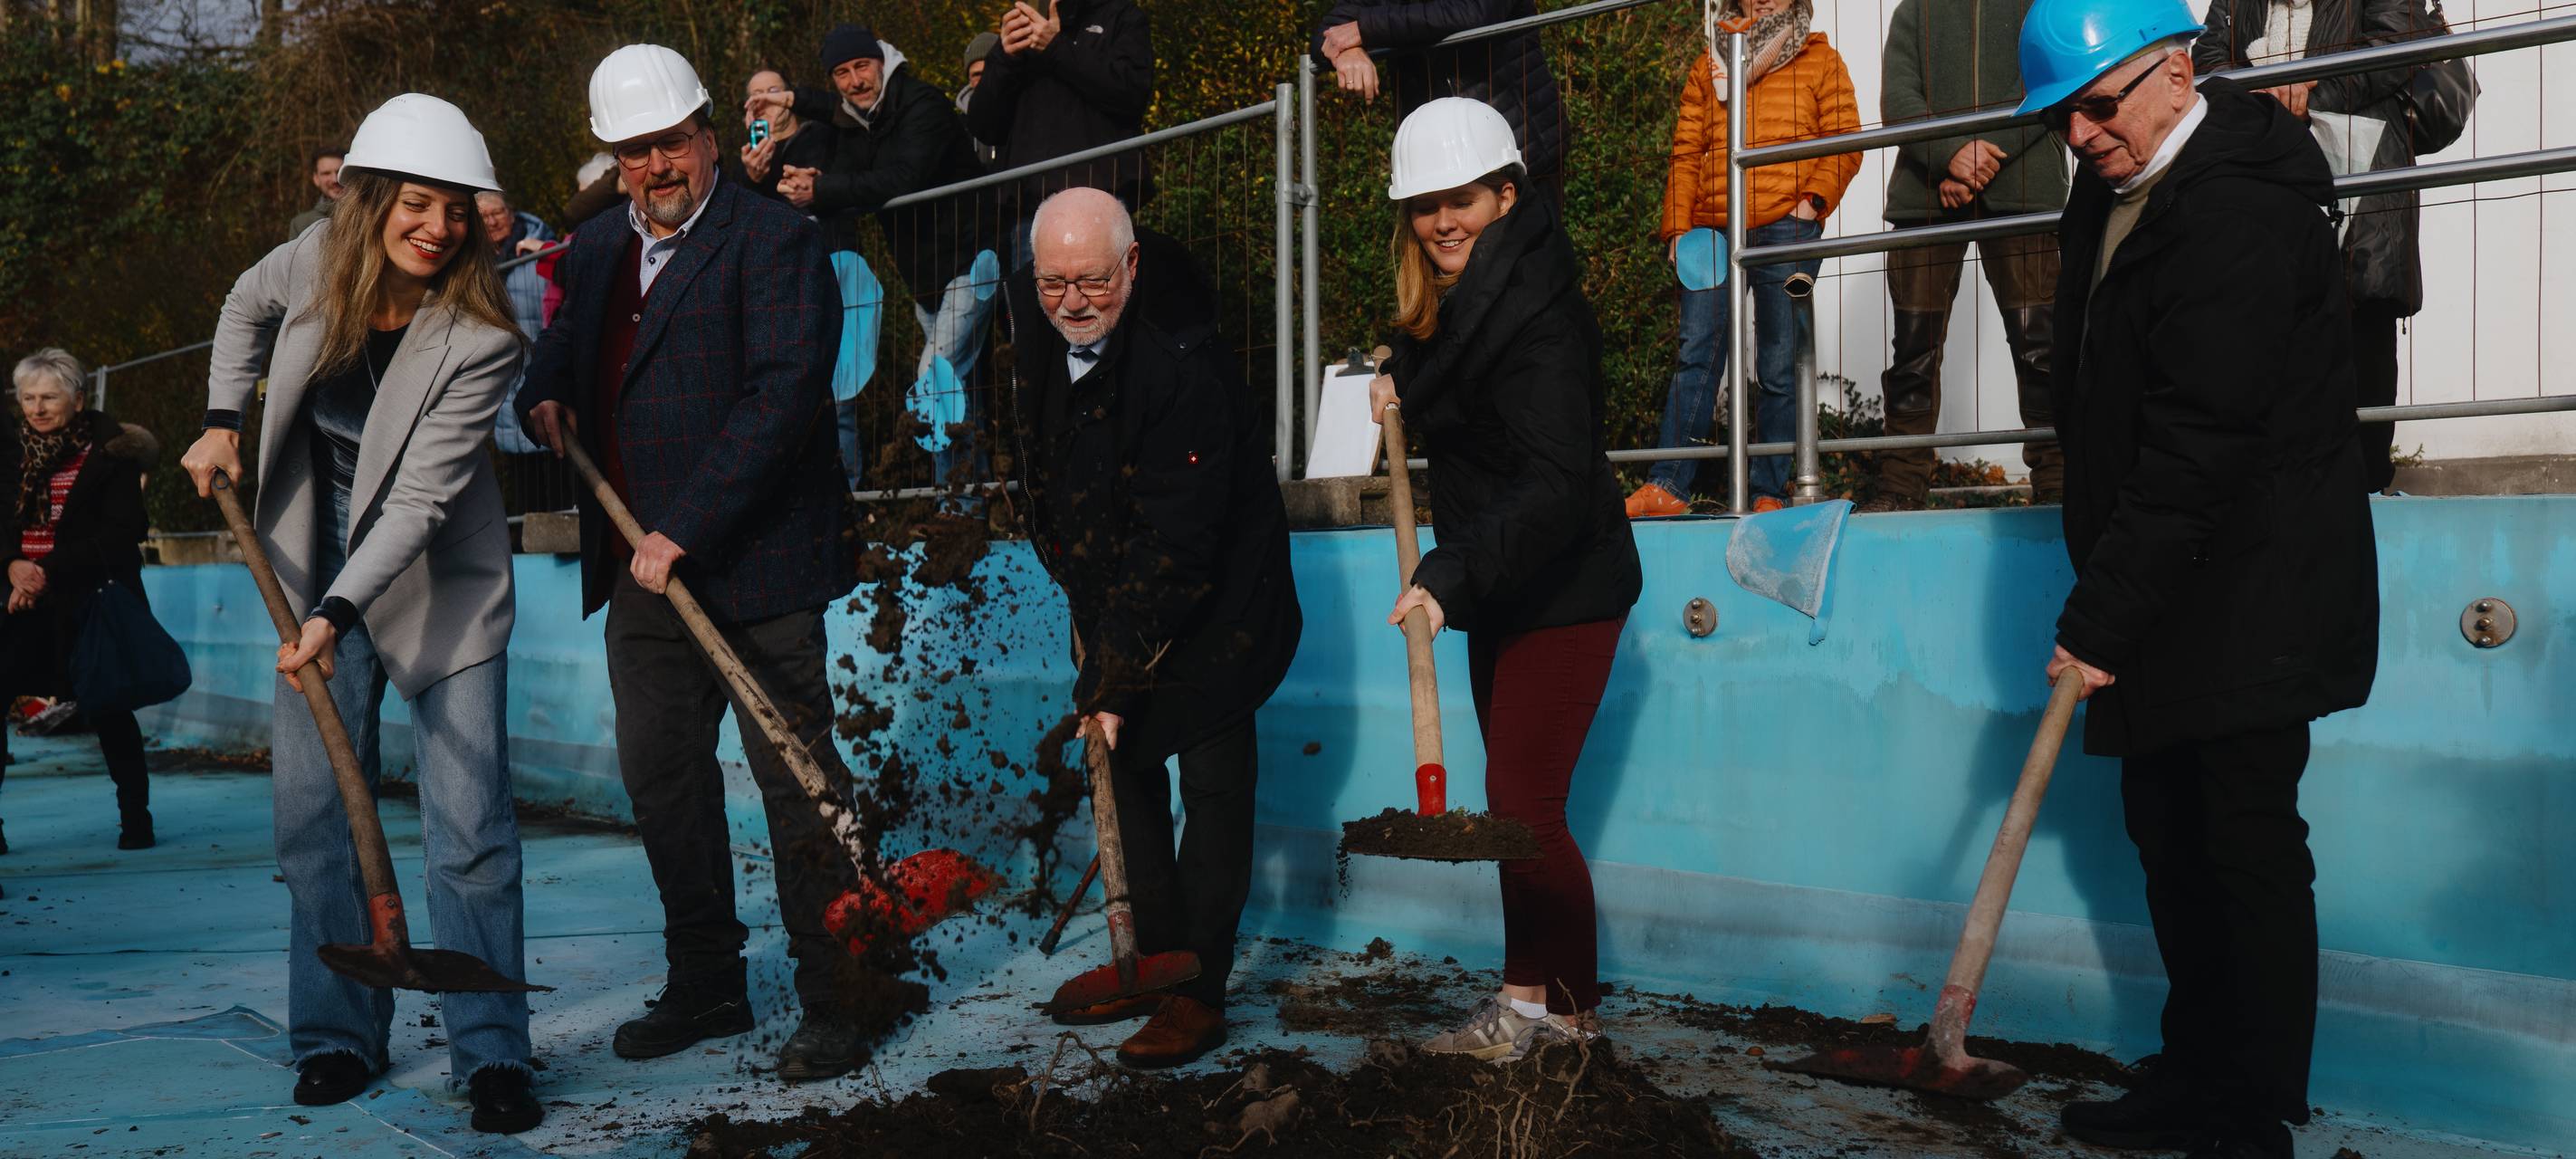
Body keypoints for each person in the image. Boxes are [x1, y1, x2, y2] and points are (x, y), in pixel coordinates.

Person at [2017, 0, 2380, 1154]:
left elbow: (2200, 436)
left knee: (2241, 842)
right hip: (2167, 577)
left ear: (2176, 72)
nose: (2077, 134)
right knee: (2168, 839)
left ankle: (2250, 1109)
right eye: (2059, 119)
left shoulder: (2236, 206)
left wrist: (2101, 614)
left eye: (2094, 106)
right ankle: (2193, 1070)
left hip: (2248, 587)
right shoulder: (2119, 181)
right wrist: (2118, 593)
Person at [179, 93, 543, 1134]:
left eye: (454, 210)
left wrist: (336, 613)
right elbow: (242, 309)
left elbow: (423, 500)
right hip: (305, 561)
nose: (435, 227)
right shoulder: (310, 263)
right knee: (313, 822)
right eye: (415, 204)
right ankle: (335, 1034)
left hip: (435, 587)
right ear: (374, 199)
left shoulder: (478, 335)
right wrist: (218, 419)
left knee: (470, 826)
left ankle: (492, 1052)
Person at [516, 44, 865, 1082]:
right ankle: (708, 980)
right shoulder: (589, 252)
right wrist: (545, 391)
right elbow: (564, 337)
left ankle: (841, 992)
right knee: (662, 780)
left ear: (707, 133)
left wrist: (686, 527)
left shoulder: (776, 241)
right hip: (641, 572)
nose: (656, 166)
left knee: (796, 782)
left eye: (670, 142)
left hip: (753, 564)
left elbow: (783, 393)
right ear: (613, 159)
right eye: (634, 152)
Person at [1369, 99, 1641, 1060]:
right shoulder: (1468, 301)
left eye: (1463, 199)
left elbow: (1556, 484)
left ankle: (1568, 1022)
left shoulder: (1538, 318)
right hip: (1505, 584)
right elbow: (1454, 379)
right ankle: (1523, 1002)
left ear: (1505, 193)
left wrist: (1445, 575)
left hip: (1563, 588)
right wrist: (1399, 374)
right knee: (1509, 809)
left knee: (1526, 813)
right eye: (1425, 204)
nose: (1444, 220)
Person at [1008, 187, 1300, 1068]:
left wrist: (1114, 667)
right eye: (1053, 282)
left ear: (1128, 267)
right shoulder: (1033, 347)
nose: (1073, 300)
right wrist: (1090, 627)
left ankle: (1197, 991)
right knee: (1120, 763)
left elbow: (1176, 539)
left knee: (1211, 783)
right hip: (1121, 597)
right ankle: (1148, 958)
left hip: (1220, 605)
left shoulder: (1183, 366)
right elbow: (1043, 489)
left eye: (1091, 279)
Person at [1627, 0, 1860, 517]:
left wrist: (1812, 203)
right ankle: (1669, 485)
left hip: (1787, 224)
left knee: (1779, 363)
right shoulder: (1708, 63)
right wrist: (1678, 225)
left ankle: (1770, 491)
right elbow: (1686, 150)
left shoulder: (1822, 60)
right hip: (1711, 226)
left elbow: (1845, 138)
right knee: (1698, 354)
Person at [2194, 0, 2425, 493]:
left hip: (2364, 166)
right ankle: (2280, 491)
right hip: (2263, 166)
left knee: (2362, 325)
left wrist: (2311, 88)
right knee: (2264, 326)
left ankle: (2365, 488)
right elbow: (2209, 55)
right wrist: (2262, 98)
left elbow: (2396, 44)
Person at [752, 25, 997, 491]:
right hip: (925, 273)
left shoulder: (921, 104)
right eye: (841, 73)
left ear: (882, 61)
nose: (854, 80)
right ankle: (980, 492)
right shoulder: (864, 117)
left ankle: (954, 508)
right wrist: (791, 106)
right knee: (961, 385)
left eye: (861, 66)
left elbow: (902, 178)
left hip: (972, 258)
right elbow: (838, 112)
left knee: (935, 377)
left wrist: (819, 189)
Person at [1865, 0, 2067, 512]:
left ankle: (2060, 481)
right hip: (1926, 196)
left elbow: (2050, 79)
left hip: (2024, 189)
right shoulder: (1915, 7)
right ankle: (1901, 485)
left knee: (2041, 347)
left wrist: (1974, 159)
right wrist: (1949, 156)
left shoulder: (2041, 4)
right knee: (1914, 351)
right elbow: (1897, 95)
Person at [0, 350, 157, 854]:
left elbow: (124, 532)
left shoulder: (111, 453)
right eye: (28, 398)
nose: (37, 408)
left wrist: (44, 570)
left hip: (89, 603)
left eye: (49, 397)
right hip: (17, 604)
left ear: (79, 398)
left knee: (110, 710)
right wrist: (12, 567)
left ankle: (136, 817)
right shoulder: (9, 454)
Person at [1310, 0, 1566, 201]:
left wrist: (1364, 29)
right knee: (1451, 264)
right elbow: (1328, 32)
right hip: (1439, 161)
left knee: (1535, 259)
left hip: (1520, 145)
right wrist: (1349, 50)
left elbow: (1472, 13)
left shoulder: (1366, 24)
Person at [966, 0, 1153, 215]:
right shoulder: (1016, 34)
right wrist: (1003, 59)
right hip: (1029, 207)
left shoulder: (1119, 15)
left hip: (1102, 196)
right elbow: (983, 127)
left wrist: (1056, 47)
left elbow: (1131, 93)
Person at [476, 190, 559, 455]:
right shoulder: (473, 265)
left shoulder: (541, 249)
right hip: (502, 386)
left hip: (545, 374)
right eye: (483, 216)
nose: (491, 221)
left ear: (512, 214)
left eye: (497, 213)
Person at [736, 68, 834, 203]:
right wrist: (752, 179)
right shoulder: (748, 158)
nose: (766, 100)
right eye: (756, 95)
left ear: (789, 97)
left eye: (773, 92)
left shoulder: (822, 134)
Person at [957, 31, 1001, 169]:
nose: (983, 80)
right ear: (969, 79)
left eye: (989, 71)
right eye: (977, 74)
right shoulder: (958, 126)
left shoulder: (1023, 116)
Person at [288, 147, 347, 240]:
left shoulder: (368, 215)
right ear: (316, 179)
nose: (335, 179)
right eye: (326, 173)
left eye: (339, 172)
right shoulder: (301, 224)